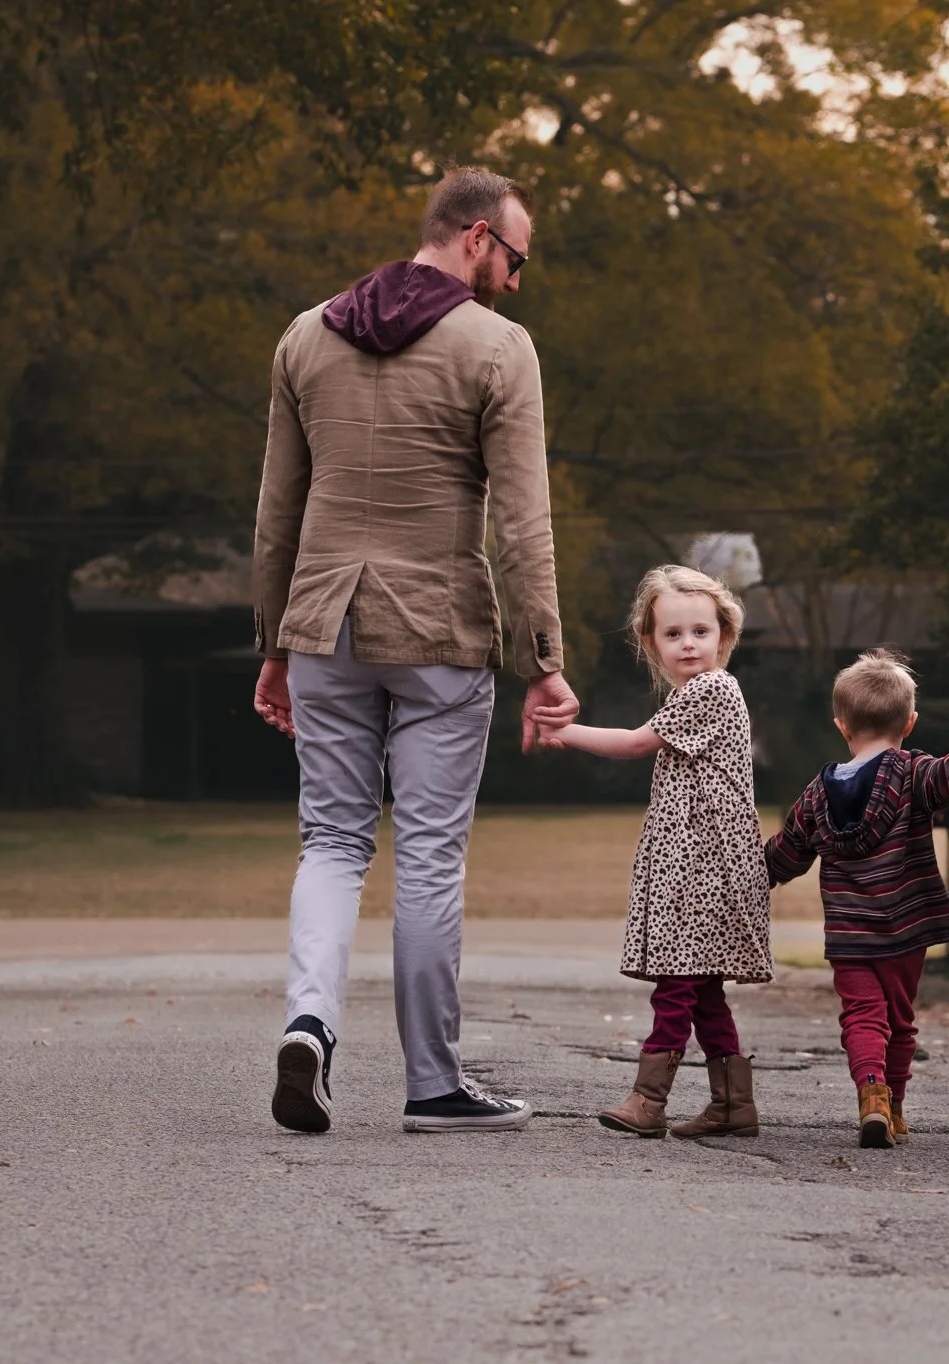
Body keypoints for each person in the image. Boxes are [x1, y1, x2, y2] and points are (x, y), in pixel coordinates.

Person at [252, 166, 579, 1135]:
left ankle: (308, 1026)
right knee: (428, 854)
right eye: (514, 258)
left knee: (330, 839)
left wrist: (274, 642)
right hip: (437, 627)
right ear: (477, 238)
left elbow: (277, 512)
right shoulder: (495, 346)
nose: (515, 281)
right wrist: (544, 659)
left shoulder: (304, 336)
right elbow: (523, 522)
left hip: (323, 625)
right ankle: (432, 1083)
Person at [763, 649, 949, 1147]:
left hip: (851, 936)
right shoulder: (913, 774)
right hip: (905, 931)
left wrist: (734, 875)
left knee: (862, 1015)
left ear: (841, 725)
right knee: (899, 1018)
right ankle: (892, 1104)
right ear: (910, 723)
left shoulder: (815, 794)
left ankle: (870, 1093)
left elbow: (784, 856)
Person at [536, 566, 773, 1139]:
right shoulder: (693, 694)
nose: (688, 643)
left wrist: (562, 732)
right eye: (673, 634)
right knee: (703, 987)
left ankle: (648, 1100)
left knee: (676, 984)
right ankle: (732, 1105)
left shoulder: (713, 689)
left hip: (705, 868)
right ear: (652, 643)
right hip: (695, 864)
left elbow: (637, 743)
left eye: (700, 631)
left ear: (724, 637)